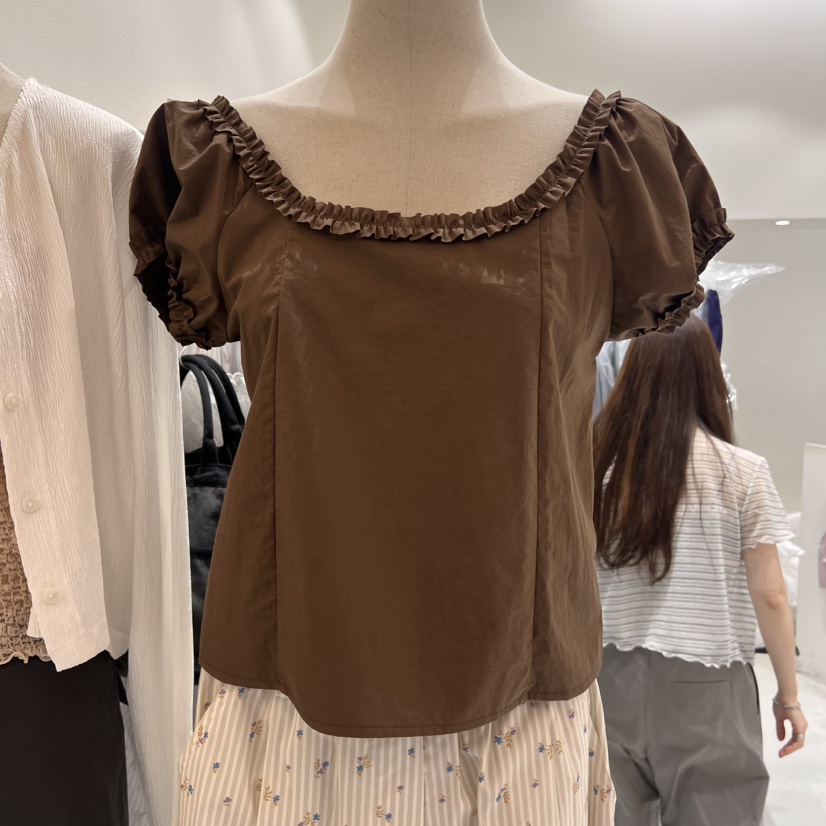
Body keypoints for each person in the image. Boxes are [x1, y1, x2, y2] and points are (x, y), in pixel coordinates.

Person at [594, 316, 808, 826]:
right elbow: (771, 592)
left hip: (607, 677)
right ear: (707, 375)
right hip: (706, 679)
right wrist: (788, 695)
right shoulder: (743, 471)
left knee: (616, 812)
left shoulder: (597, 467)